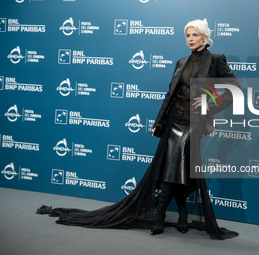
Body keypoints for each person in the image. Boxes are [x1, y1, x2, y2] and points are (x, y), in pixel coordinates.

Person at [37, 19, 239, 240]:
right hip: (173, 119)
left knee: (174, 161)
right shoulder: (181, 62)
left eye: (194, 35)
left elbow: (235, 91)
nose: (190, 39)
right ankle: (180, 211)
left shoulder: (216, 60)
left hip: (194, 122)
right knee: (175, 165)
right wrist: (158, 122)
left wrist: (210, 103)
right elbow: (169, 96)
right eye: (187, 36)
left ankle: (160, 212)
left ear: (204, 36)